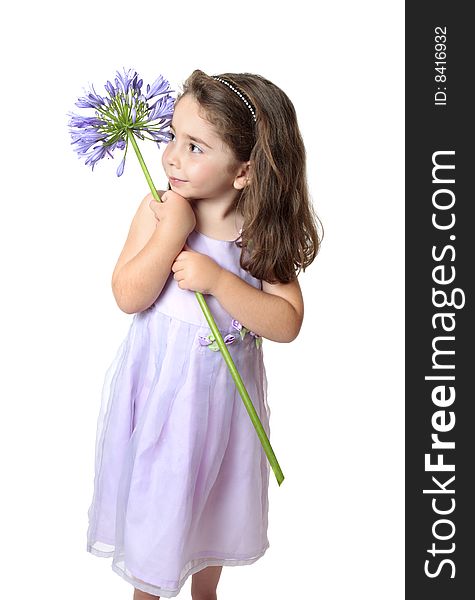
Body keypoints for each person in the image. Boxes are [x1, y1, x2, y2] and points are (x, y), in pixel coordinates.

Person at [86, 69, 322, 600]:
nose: (171, 156)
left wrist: (218, 281)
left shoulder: (259, 232)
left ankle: (205, 593)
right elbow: (128, 295)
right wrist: (170, 232)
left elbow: (286, 323)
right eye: (172, 135)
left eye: (195, 146)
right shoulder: (158, 211)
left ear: (243, 172)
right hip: (162, 412)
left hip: (224, 415)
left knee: (211, 522)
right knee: (155, 528)